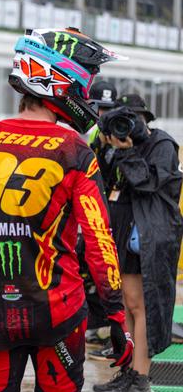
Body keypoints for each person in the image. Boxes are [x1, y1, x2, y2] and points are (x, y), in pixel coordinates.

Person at [0, 28, 134, 392]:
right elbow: (99, 240)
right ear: (64, 79)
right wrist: (116, 313)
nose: (87, 92)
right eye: (86, 81)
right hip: (59, 308)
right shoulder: (75, 149)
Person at [93, 94, 183, 392]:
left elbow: (147, 183)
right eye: (123, 119)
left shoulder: (162, 144)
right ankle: (130, 371)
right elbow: (109, 183)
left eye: (135, 118)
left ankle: (141, 379)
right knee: (129, 304)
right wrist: (107, 147)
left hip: (149, 236)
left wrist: (127, 151)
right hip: (128, 234)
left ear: (146, 119)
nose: (129, 125)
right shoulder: (118, 144)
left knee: (142, 306)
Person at [79, 80, 119, 351]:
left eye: (109, 108)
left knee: (108, 269)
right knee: (87, 267)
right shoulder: (90, 135)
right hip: (93, 208)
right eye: (99, 108)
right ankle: (96, 325)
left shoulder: (118, 134)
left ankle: (108, 329)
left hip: (113, 212)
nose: (104, 114)